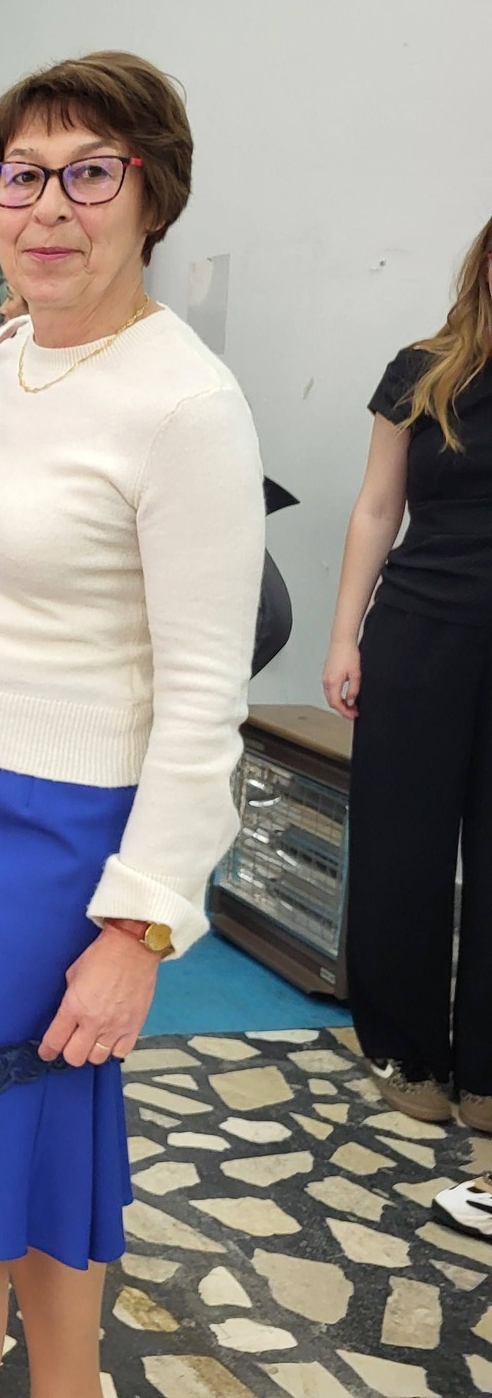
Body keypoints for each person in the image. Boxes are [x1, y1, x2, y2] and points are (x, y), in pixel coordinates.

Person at [0, 52, 264, 1398]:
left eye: (90, 173)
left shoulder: (186, 404)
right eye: (20, 177)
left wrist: (138, 929)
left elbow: (204, 697)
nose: (47, 209)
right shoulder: (0, 357)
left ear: (154, 194)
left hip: (55, 836)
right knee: (34, 1125)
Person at [324, 212, 492, 1134]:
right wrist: (344, 637)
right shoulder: (424, 371)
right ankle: (404, 1047)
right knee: (402, 849)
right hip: (421, 628)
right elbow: (377, 508)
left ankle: (488, 1068)